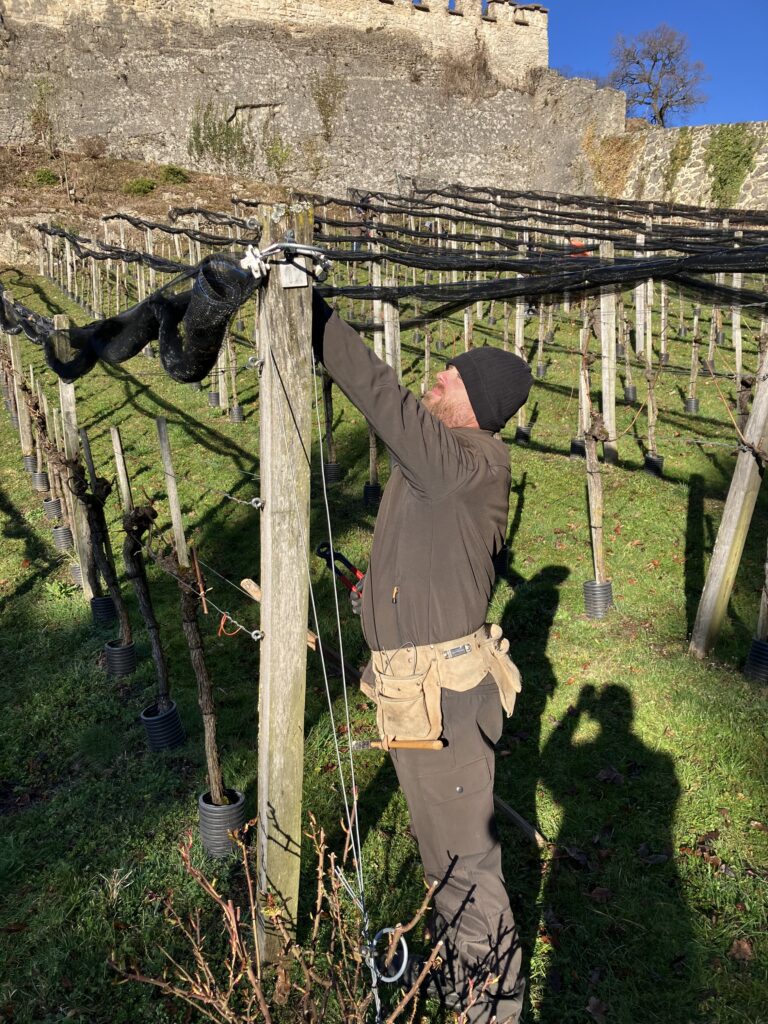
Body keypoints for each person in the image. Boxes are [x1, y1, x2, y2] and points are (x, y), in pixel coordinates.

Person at [312, 292, 533, 1024]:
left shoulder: (467, 461)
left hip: (446, 701)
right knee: (441, 856)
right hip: (416, 693)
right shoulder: (435, 470)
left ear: (475, 403)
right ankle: (460, 982)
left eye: (448, 379)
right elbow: (422, 554)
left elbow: (385, 400)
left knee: (467, 867)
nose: (433, 381)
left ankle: (494, 1007)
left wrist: (315, 318)